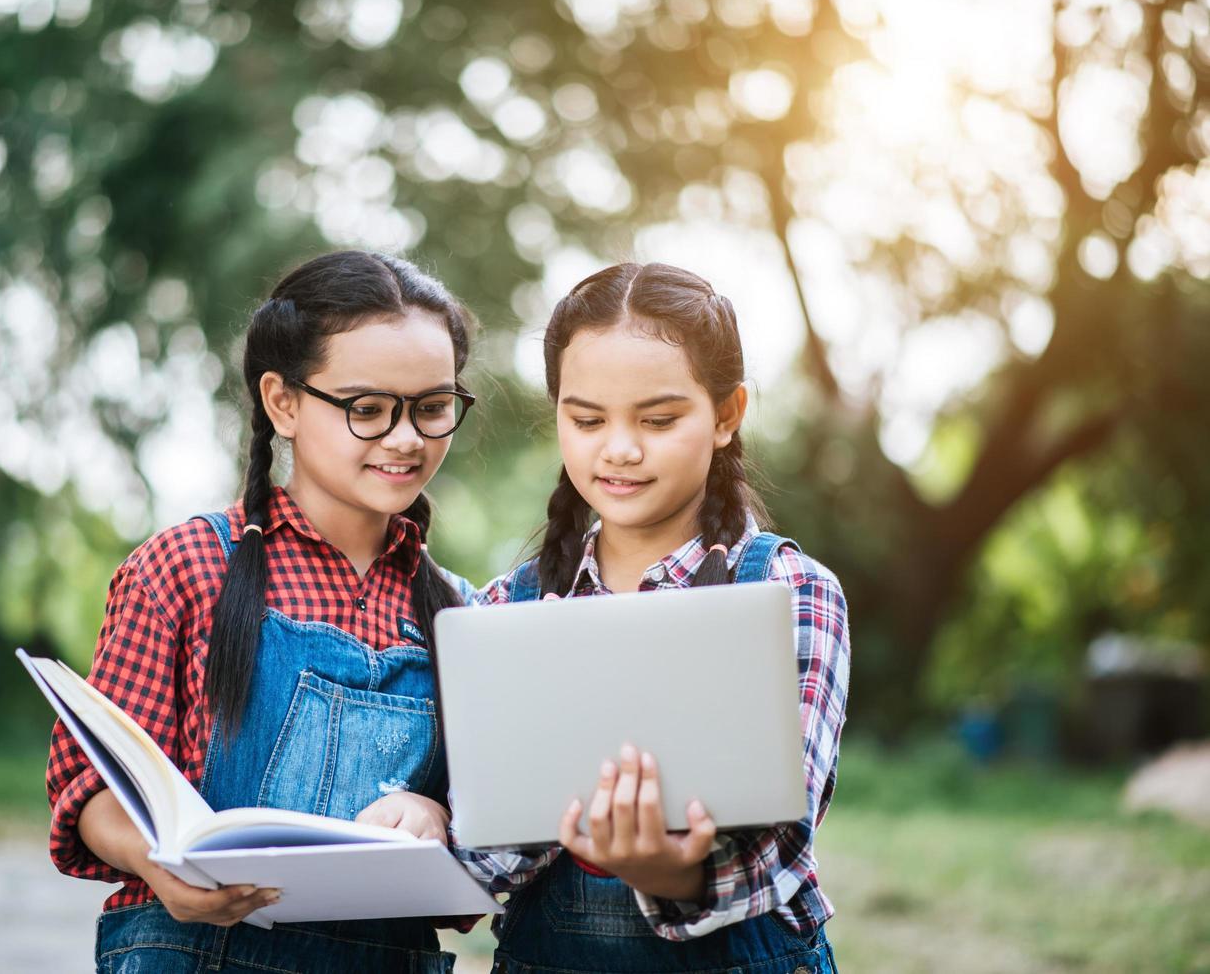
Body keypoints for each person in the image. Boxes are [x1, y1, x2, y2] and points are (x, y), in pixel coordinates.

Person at [45, 250, 480, 973]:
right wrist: (158, 865)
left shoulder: (464, 612)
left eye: (432, 408)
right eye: (367, 410)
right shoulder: (183, 568)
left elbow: (487, 847)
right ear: (282, 402)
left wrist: (439, 821)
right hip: (191, 949)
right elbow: (90, 788)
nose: (406, 439)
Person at [458, 262, 848, 974]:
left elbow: (779, 843)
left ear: (727, 414)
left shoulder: (791, 591)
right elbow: (477, 852)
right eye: (586, 419)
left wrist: (669, 873)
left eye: (658, 419)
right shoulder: (500, 613)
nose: (619, 448)